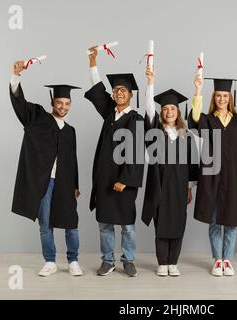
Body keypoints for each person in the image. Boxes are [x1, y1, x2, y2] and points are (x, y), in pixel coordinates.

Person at [9, 60, 82, 277]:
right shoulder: (38, 117)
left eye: (67, 104)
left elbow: (73, 159)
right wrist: (15, 76)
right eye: (60, 103)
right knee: (45, 222)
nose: (63, 107)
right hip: (44, 181)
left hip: (66, 182)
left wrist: (76, 184)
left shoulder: (70, 131)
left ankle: (73, 260)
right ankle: (50, 261)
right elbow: (19, 104)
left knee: (71, 223)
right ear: (53, 101)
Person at [85, 46, 145, 277]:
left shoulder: (136, 119)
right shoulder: (110, 114)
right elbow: (97, 90)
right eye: (116, 90)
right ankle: (108, 260)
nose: (119, 92)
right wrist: (93, 62)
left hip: (123, 181)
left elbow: (137, 153)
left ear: (131, 94)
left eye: (124, 90)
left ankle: (128, 260)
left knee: (127, 225)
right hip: (104, 179)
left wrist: (126, 180)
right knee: (105, 224)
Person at [188, 74, 237, 276]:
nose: (222, 99)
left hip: (234, 177)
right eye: (218, 95)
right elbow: (194, 118)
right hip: (211, 177)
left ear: (230, 98)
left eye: (225, 95)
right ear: (213, 97)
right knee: (215, 220)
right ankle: (218, 260)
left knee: (231, 221)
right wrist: (198, 89)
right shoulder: (207, 120)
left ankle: (228, 259)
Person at [142, 65, 198, 277]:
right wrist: (150, 83)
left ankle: (173, 262)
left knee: (178, 223)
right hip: (160, 184)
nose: (169, 112)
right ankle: (162, 262)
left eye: (172, 109)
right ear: (161, 112)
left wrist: (190, 187)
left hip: (179, 186)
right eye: (165, 109)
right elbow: (148, 108)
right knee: (161, 223)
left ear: (178, 112)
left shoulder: (186, 134)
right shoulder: (155, 131)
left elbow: (193, 164)